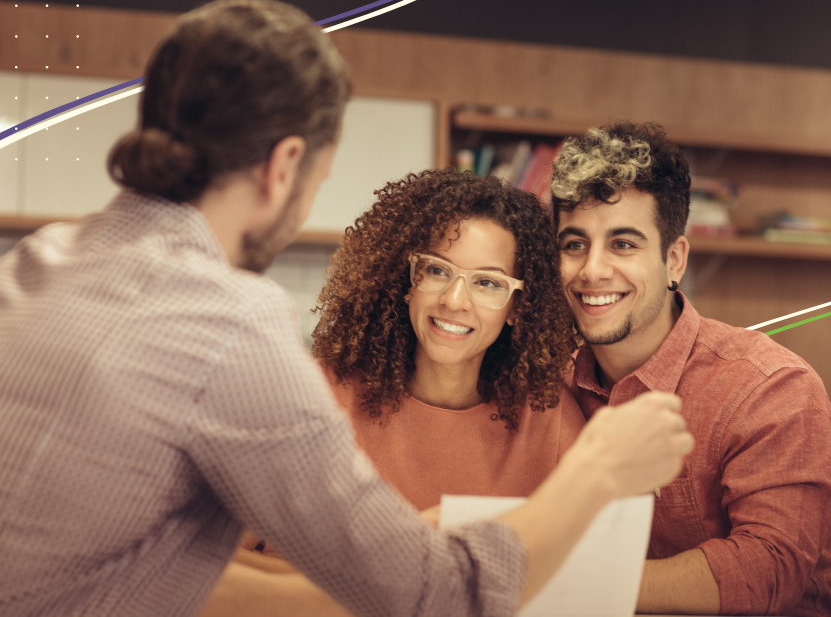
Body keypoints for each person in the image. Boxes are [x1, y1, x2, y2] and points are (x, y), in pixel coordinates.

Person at [0, 0, 693, 617]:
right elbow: (442, 598)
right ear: (285, 163)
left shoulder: (33, 261)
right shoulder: (221, 321)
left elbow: (164, 571)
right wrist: (597, 472)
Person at [201, 169, 585, 616]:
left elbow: (588, 578)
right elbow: (206, 559)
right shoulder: (318, 395)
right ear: (408, 280)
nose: (455, 301)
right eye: (438, 270)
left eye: (487, 283)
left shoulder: (549, 416)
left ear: (518, 306)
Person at [550, 121, 831, 617]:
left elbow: (766, 571)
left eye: (623, 244)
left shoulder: (769, 387)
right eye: (574, 244)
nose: (592, 270)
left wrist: (571, 578)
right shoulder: (548, 382)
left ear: (674, 260)